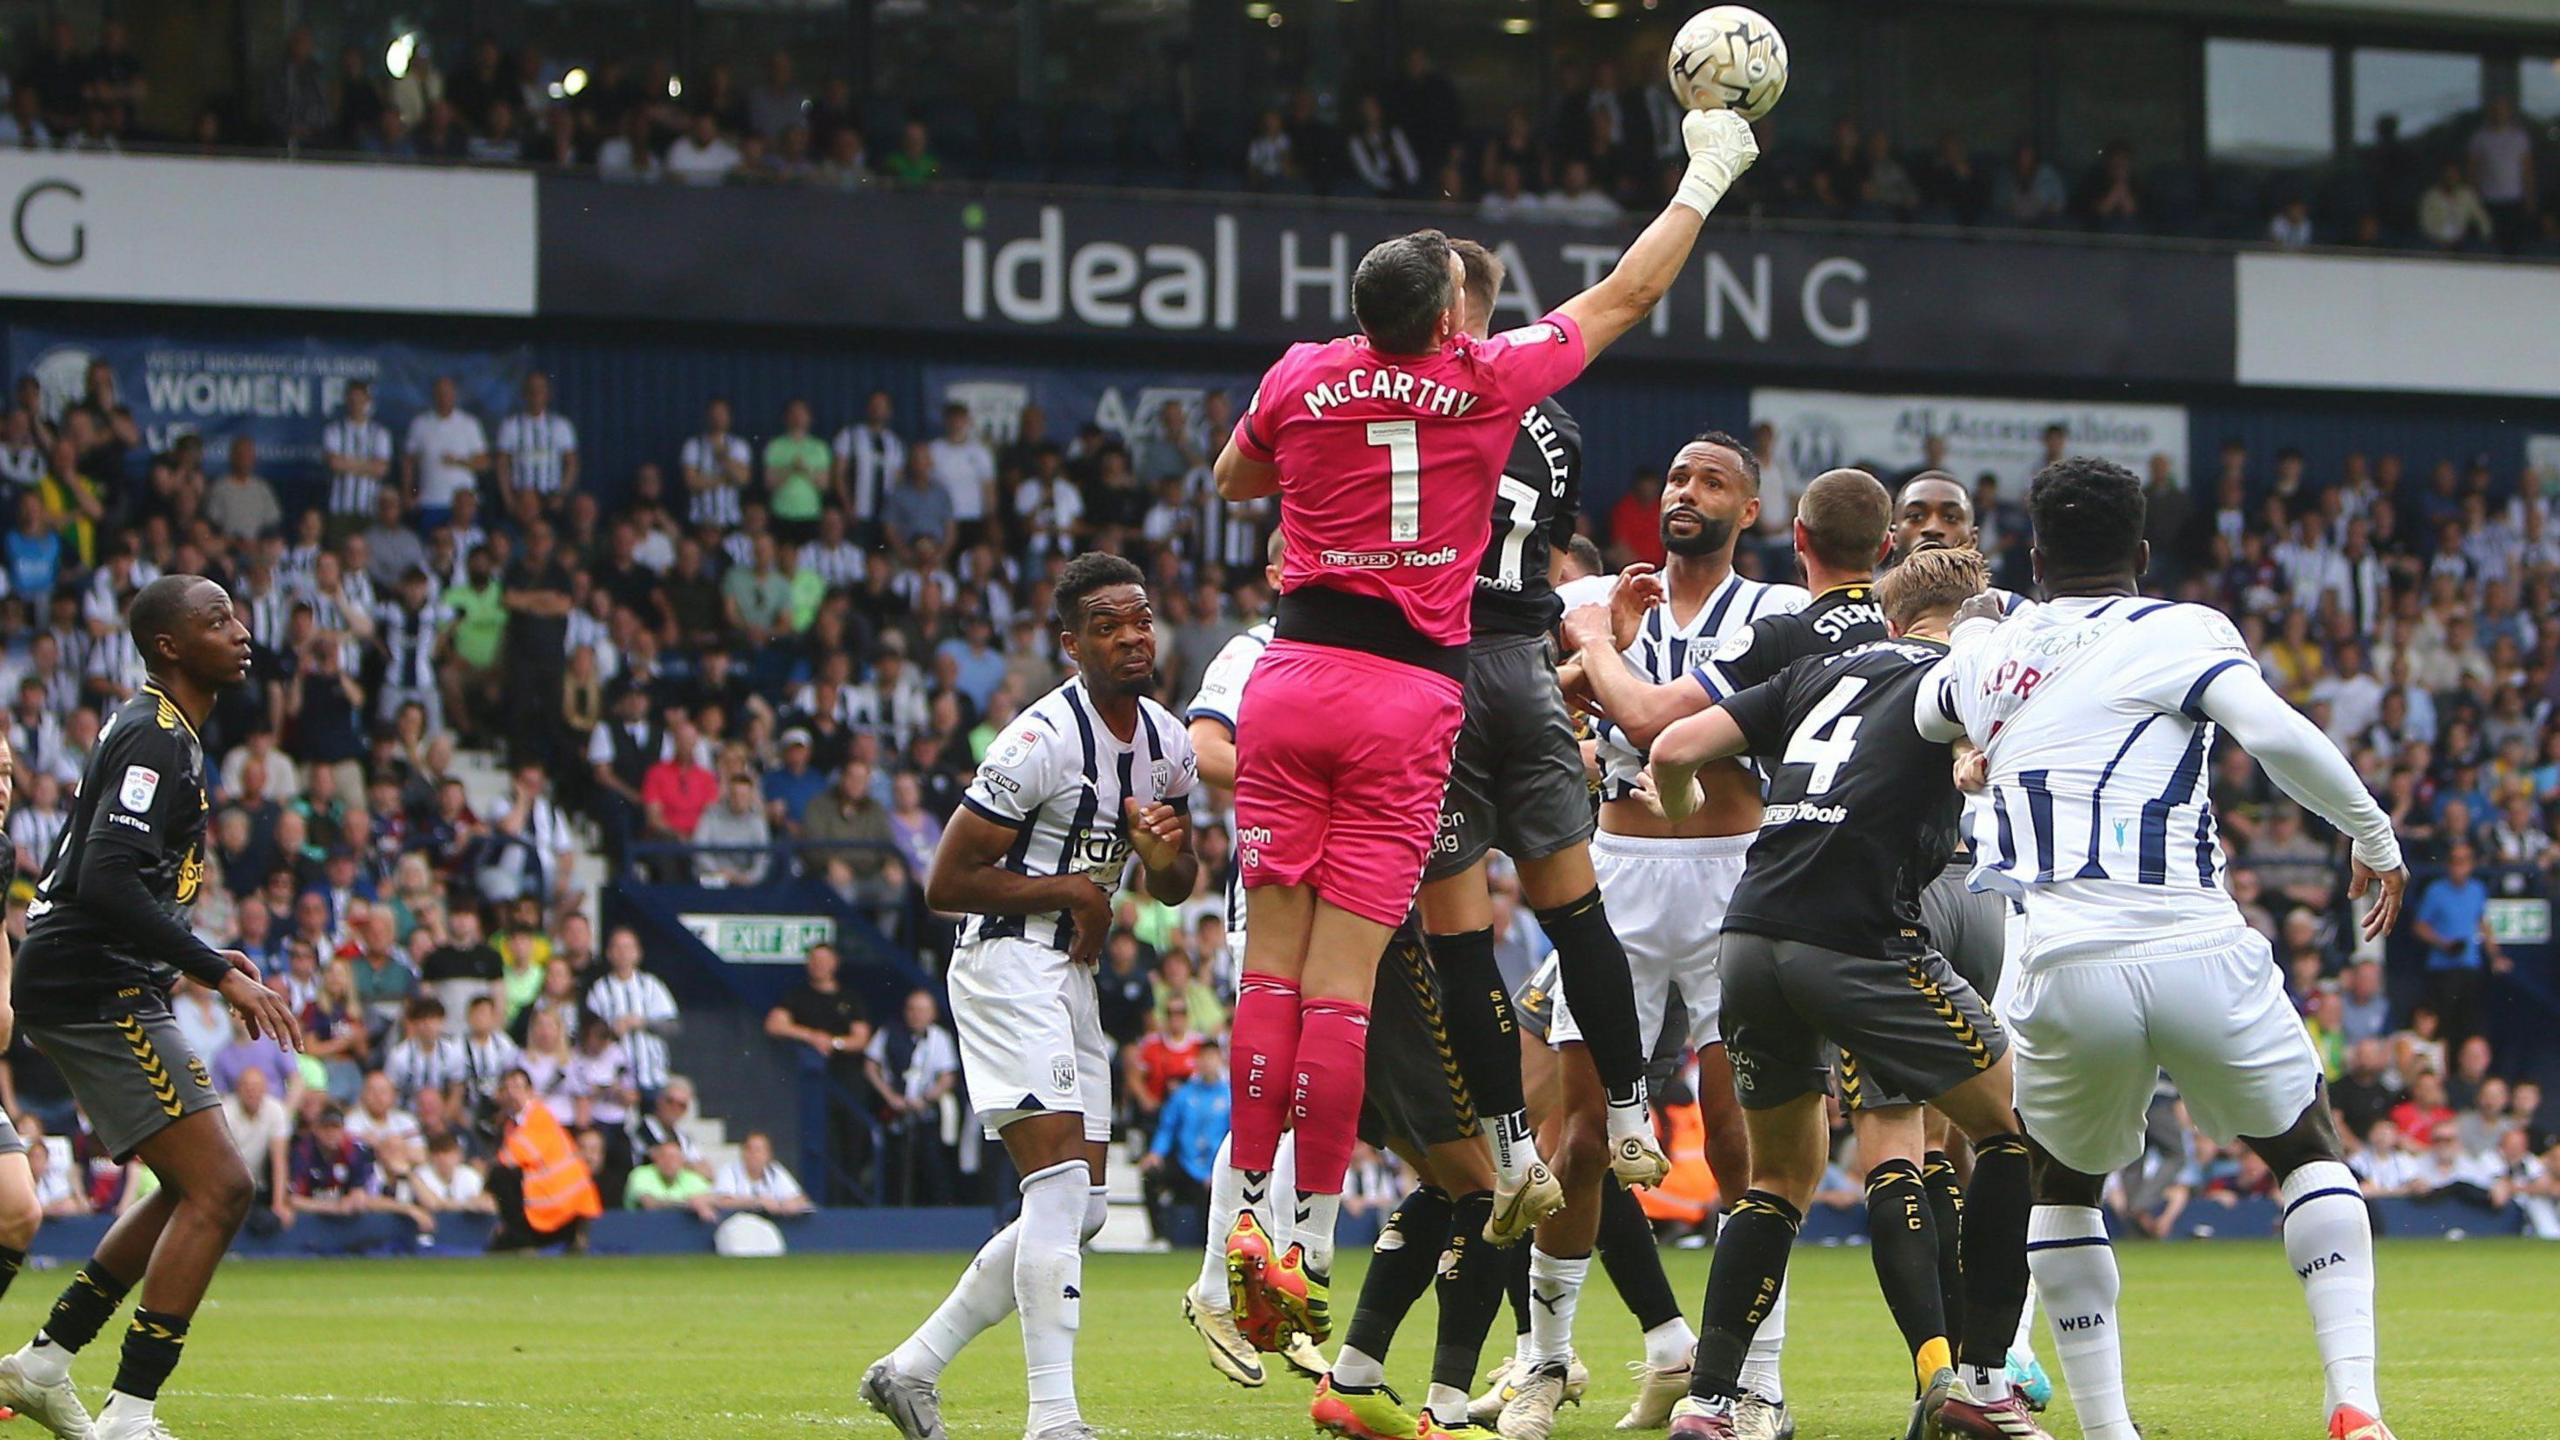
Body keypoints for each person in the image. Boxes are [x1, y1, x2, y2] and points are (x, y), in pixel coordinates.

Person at [1209, 108, 1760, 1344]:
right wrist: (1707, 176)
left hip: (1291, 674)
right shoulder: (1486, 380)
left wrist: (1316, 466)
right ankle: (1314, 1230)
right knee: (1345, 993)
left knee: (1272, 970)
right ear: (1453, 318)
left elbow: (1232, 481)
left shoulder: (1300, 372)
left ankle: (1253, 1218)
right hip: (1414, 692)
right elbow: (1623, 295)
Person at [1918, 456, 2410, 1440]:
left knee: (2061, 1184)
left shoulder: (1984, 656)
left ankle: (2110, 1431)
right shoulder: (2180, 629)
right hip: (2190, 937)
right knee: (2306, 1147)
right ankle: (2352, 1397)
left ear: (2034, 553)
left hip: (2056, 964)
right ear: (2141, 555)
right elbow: (2273, 735)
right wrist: (2372, 837)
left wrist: (1977, 642)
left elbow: (1930, 716)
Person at [1648, 547, 2043, 1440]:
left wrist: (1674, 804)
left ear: (1891, 617)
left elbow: (1673, 746)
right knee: (2018, 1129)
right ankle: (1981, 1382)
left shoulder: (1815, 670)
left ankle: (1710, 1404)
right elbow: (1979, 755)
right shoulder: (1962, 673)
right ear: (1972, 615)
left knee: (1778, 1179)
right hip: (1858, 942)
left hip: (1748, 940)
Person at [1501, 433, 1811, 1440]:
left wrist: (1605, 664)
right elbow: (1543, 717)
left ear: (1749, 512)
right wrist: (1582, 675)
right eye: (1677, 476)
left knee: (1736, 1138)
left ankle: (1749, 1379)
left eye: (1713, 481)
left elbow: (1704, 726)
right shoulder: (1592, 605)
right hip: (1620, 870)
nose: (1688, 491)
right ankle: (1545, 1363)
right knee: (1580, 1139)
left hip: (1735, 872)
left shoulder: (1774, 612)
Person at [864, 553, 1199, 1440]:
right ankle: (1053, 1421)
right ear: (1071, 644)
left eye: (1140, 620)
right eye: (1106, 625)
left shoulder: (1168, 743)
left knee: (1084, 1210)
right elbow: (946, 879)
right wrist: (1073, 893)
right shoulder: (1038, 740)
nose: (1130, 636)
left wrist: (1165, 859)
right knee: (1056, 1193)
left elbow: (1176, 880)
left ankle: (909, 1369)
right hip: (1009, 965)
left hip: (1074, 977)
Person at [0, 576, 301, 1440]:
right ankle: (131, 1411)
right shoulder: (153, 737)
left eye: (237, 616)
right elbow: (105, 877)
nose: (241, 632)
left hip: (98, 975)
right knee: (224, 1185)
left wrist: (208, 957)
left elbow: (121, 879)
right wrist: (217, 971)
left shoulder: (165, 733)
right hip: (92, 982)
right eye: (218, 620)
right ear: (168, 645)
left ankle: (48, 1360)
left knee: (189, 1184)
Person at [488, 1066, 601, 1253]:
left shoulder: (538, 1116)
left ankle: (523, 1239)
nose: (511, 1094)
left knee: (499, 1175)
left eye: (517, 1087)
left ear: (530, 1092)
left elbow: (514, 1156)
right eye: (506, 1089)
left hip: (564, 1200)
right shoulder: (512, 1124)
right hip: (550, 1199)